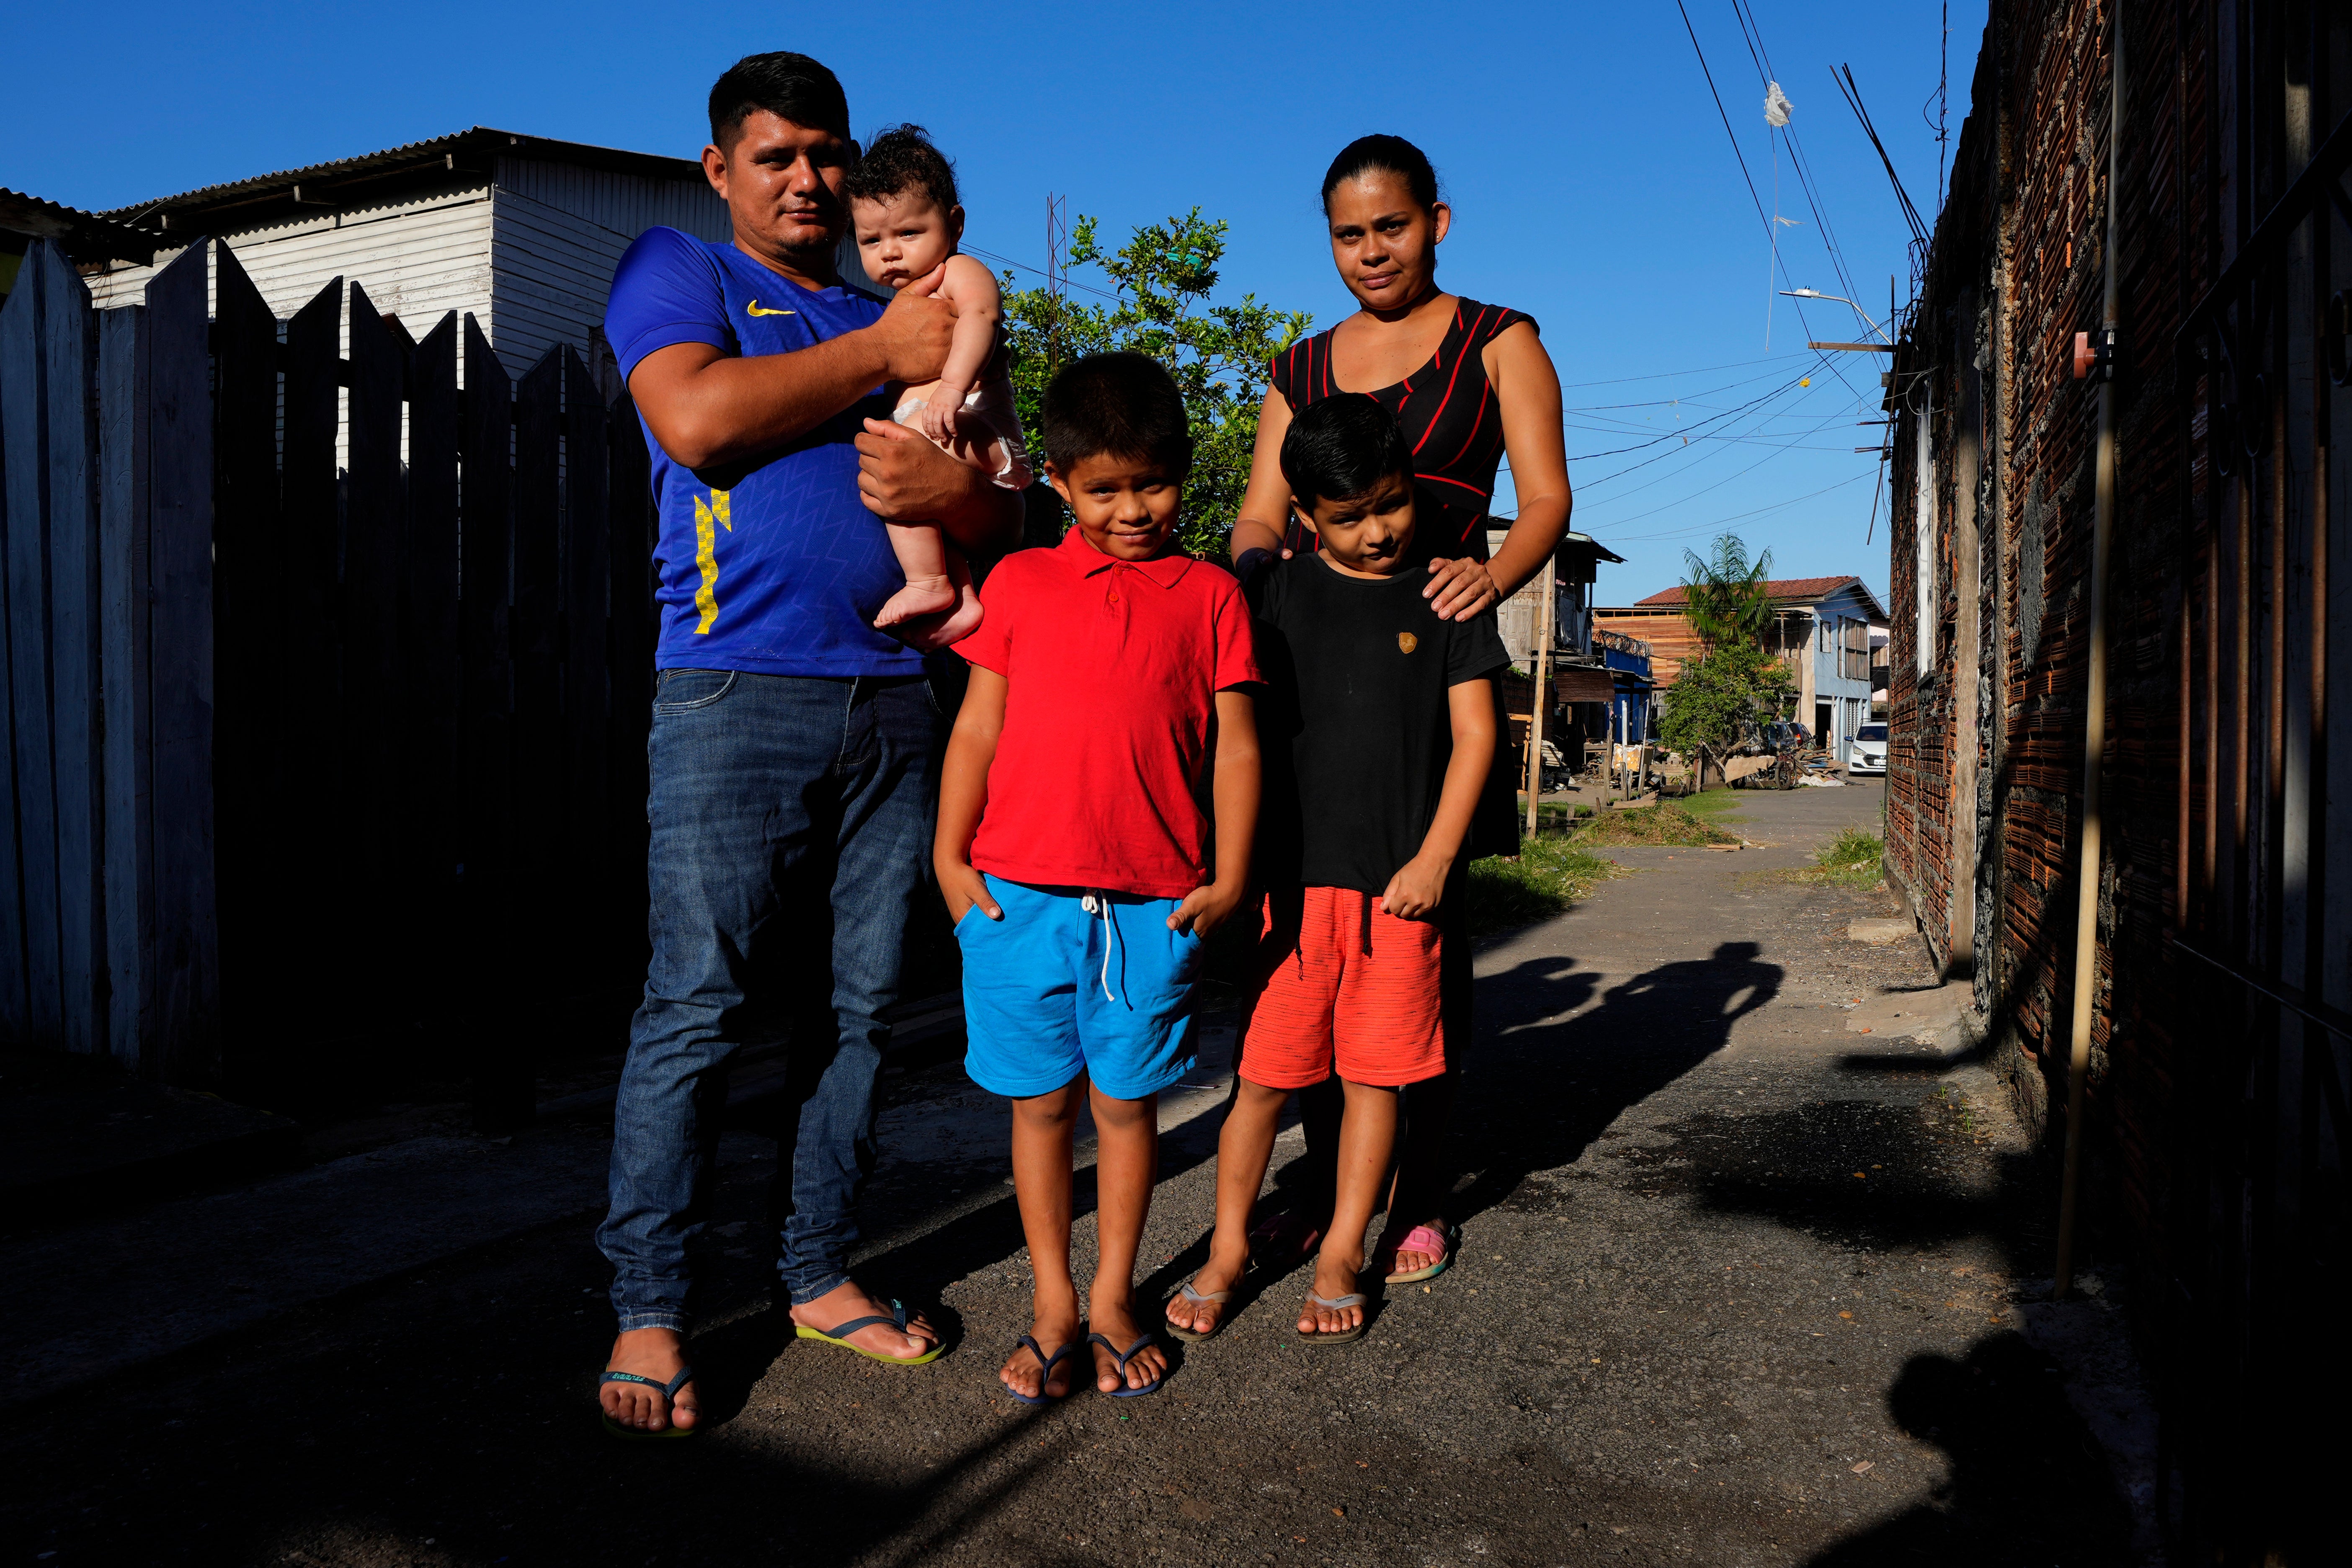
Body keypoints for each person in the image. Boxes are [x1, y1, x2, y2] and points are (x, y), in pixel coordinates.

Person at [592, 52, 1024, 1439]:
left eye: (824, 154)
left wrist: (954, 482)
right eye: (774, 154)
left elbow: (1010, 522)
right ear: (722, 168)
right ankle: (652, 1300)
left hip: (897, 691)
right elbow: (697, 417)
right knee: (698, 1005)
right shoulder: (683, 271)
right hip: (732, 688)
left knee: (857, 1012)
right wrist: (881, 357)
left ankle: (813, 1268)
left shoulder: (908, 298)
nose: (806, 178)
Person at [1225, 134, 1571, 1287]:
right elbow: (1257, 521)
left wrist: (1494, 576)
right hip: (1317, 677)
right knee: (1302, 949)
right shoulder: (1300, 367)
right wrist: (1266, 592)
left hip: (1435, 668)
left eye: (1393, 226)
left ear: (1439, 220)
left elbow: (1548, 500)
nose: (1372, 252)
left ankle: (1417, 1196)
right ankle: (1328, 1196)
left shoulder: (1500, 341)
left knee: (1419, 949)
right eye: (1349, 234)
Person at [934, 352, 1261, 1401]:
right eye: (1105, 488)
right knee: (1038, 1110)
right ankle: (1052, 1304)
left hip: (1151, 908)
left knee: (1125, 1110)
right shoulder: (1020, 582)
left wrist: (1230, 873)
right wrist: (949, 853)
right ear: (1060, 482)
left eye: (1154, 483)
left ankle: (1114, 1295)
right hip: (1013, 900)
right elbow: (978, 723)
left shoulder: (1210, 595)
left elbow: (1241, 748)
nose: (1133, 509)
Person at [1168, 394, 1501, 1346]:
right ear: (1305, 514)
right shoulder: (1268, 592)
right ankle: (1227, 1250)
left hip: (1399, 896)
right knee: (1261, 1084)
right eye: (1346, 516)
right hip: (1289, 894)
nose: (1375, 530)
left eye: (1389, 504)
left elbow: (1477, 734)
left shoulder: (1448, 592)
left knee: (1374, 1083)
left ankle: (1340, 1252)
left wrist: (1438, 856)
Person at [842, 125, 1031, 644]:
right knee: (907, 483)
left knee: (899, 462)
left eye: (908, 233)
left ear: (953, 224)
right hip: (949, 436)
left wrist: (951, 386)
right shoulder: (896, 310)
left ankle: (926, 581)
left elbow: (981, 318)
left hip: (978, 428)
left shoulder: (958, 272)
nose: (890, 253)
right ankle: (958, 595)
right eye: (871, 240)